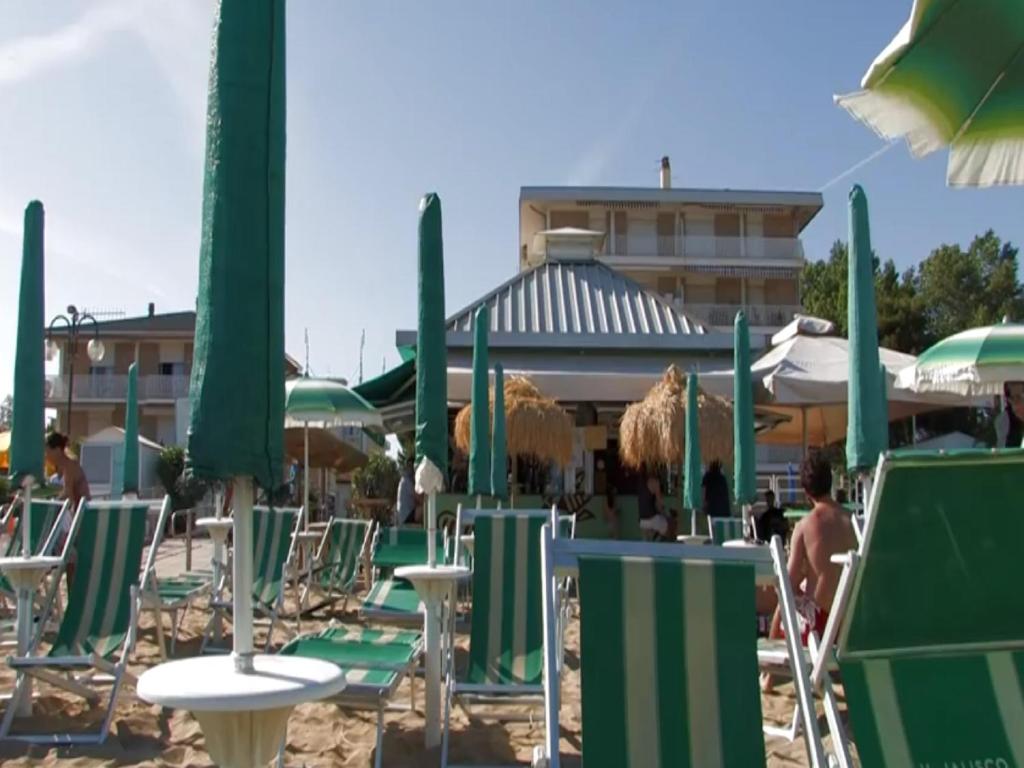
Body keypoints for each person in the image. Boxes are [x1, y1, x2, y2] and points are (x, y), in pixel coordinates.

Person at [768, 453, 856, 646]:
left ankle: (767, 672)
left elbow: (787, 588)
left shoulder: (805, 526)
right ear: (830, 482)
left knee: (784, 594)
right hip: (849, 627)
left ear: (806, 491)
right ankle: (767, 676)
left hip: (820, 630)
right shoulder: (853, 521)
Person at [45, 432, 90, 589]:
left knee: (71, 563)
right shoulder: (67, 465)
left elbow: (69, 496)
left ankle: (73, 601)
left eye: (47, 450)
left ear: (56, 450)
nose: (46, 455)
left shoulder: (69, 466)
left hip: (81, 520)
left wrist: (49, 502)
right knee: (70, 563)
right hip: (78, 518)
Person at [637, 469, 668, 539]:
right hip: (652, 519)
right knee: (667, 526)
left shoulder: (641, 482)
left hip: (641, 521)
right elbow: (659, 503)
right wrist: (665, 514)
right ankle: (658, 544)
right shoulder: (655, 482)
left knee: (646, 541)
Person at [395, 459, 417, 526]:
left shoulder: (405, 480)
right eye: (409, 466)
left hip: (403, 516)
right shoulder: (406, 481)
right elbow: (419, 498)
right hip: (405, 517)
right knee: (425, 508)